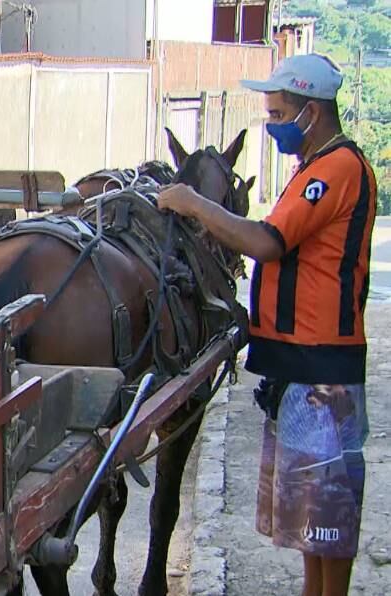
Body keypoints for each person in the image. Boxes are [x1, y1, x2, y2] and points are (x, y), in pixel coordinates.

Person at [158, 54, 377, 596]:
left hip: (322, 368)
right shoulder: (312, 167)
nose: (273, 123)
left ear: (311, 112)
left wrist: (194, 205)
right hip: (298, 364)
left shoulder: (336, 170)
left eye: (279, 114)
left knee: (328, 518)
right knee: (310, 523)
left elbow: (266, 241)